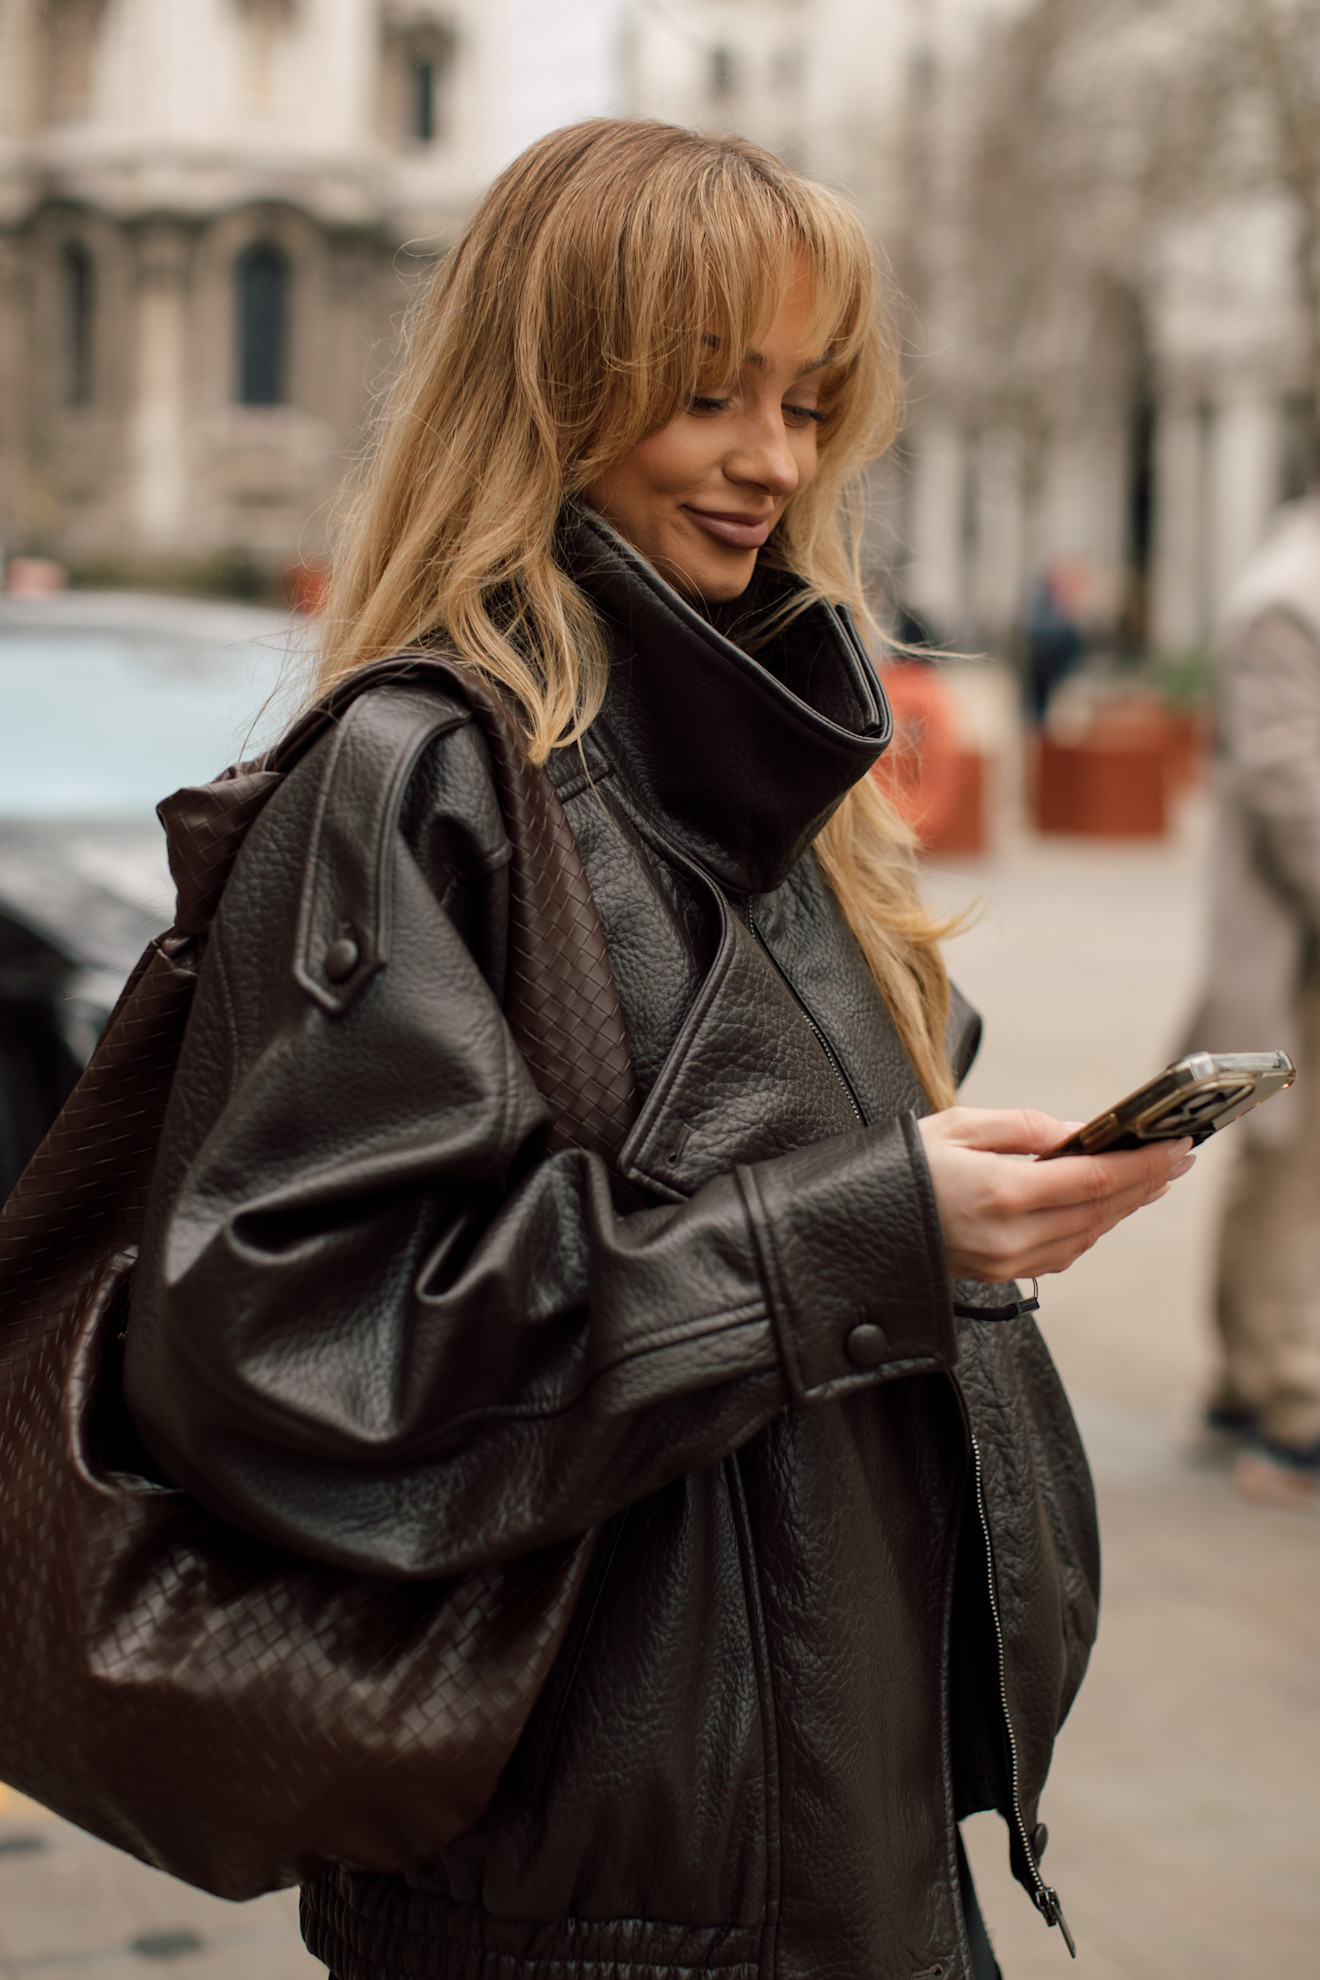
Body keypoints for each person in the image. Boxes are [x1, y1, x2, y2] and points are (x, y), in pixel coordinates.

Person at [123, 121, 1193, 1980]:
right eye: (709, 395)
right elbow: (294, 1344)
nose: (773, 459)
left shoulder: (765, 746)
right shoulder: (426, 777)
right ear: (551, 386)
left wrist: (956, 1203)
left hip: (831, 1817)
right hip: (601, 1898)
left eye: (806, 397)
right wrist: (871, 1234)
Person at [1184, 495, 1320, 1509]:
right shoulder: (1290, 598)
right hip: (1294, 943)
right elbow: (1291, 788)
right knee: (1291, 1168)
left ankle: (1243, 1378)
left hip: (1299, 937)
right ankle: (1289, 1400)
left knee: (1278, 1162)